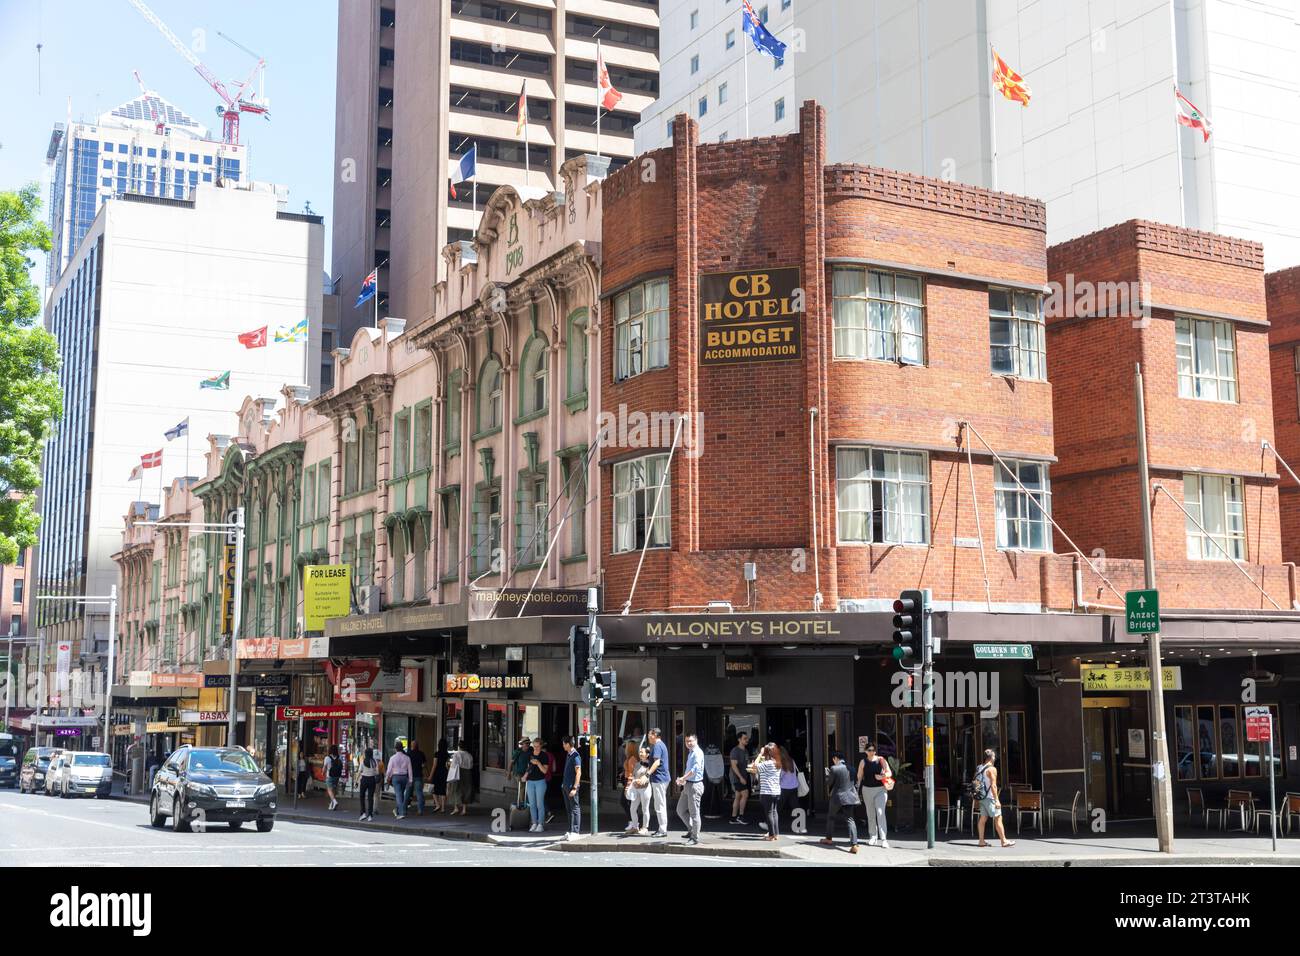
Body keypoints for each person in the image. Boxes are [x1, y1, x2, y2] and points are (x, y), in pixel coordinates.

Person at [820, 751, 860, 854]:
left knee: (831, 817)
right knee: (850, 820)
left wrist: (827, 775)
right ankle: (854, 844)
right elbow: (854, 782)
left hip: (837, 797)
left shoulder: (834, 768)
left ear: (835, 758)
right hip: (850, 797)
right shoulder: (852, 768)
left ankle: (828, 839)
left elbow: (829, 783)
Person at [976, 749, 1015, 848]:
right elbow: (993, 786)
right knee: (998, 818)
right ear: (992, 757)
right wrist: (997, 800)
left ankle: (981, 841)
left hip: (982, 797)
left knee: (983, 818)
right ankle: (1004, 841)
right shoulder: (992, 769)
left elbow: (976, 783)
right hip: (990, 798)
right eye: (994, 756)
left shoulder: (979, 768)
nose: (995, 758)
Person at [856, 743, 892, 849]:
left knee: (880, 813)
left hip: (881, 790)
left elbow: (889, 773)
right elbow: (859, 777)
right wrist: (856, 790)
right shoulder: (863, 762)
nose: (872, 752)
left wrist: (883, 776)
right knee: (870, 813)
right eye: (869, 750)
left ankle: (884, 839)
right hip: (867, 790)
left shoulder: (881, 760)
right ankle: (873, 836)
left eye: (873, 750)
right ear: (866, 751)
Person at [675, 733, 706, 845]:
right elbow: (691, 770)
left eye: (691, 741)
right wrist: (684, 780)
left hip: (695, 785)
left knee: (694, 813)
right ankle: (691, 829)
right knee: (680, 810)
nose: (688, 743)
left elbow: (695, 770)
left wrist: (683, 777)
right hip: (688, 784)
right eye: (687, 741)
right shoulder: (691, 753)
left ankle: (694, 837)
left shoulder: (697, 753)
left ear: (696, 741)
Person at [749, 743, 782, 841]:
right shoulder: (778, 762)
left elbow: (754, 766)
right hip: (776, 791)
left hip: (767, 791)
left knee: (769, 813)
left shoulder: (767, 763)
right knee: (774, 812)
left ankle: (771, 835)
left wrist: (760, 754)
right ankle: (776, 834)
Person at [645, 727, 671, 837]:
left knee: (660, 805)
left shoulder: (657, 746)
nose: (648, 736)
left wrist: (647, 774)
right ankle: (661, 828)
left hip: (659, 779)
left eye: (649, 734)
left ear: (654, 734)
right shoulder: (660, 745)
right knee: (659, 804)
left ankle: (662, 829)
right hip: (661, 779)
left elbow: (657, 762)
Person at [524, 737, 550, 832]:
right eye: (534, 746)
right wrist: (525, 776)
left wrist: (538, 763)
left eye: (537, 747)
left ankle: (540, 824)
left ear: (541, 746)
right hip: (530, 781)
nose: (535, 749)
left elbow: (544, 771)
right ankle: (534, 823)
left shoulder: (544, 756)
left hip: (540, 781)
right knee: (532, 804)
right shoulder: (530, 755)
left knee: (540, 803)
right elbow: (529, 768)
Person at [628, 745, 652, 835]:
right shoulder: (638, 764)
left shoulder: (650, 765)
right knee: (632, 808)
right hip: (636, 789)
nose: (640, 753)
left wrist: (640, 781)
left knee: (645, 809)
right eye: (640, 752)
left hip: (645, 789)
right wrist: (633, 781)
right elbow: (634, 775)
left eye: (642, 752)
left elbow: (649, 777)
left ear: (647, 754)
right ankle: (635, 827)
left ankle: (645, 827)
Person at [561, 736, 583, 839]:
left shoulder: (575, 756)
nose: (563, 745)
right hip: (566, 785)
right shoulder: (569, 755)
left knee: (574, 808)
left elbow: (578, 772)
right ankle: (570, 830)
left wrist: (575, 787)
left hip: (571, 786)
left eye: (564, 743)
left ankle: (575, 831)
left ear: (568, 744)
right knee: (569, 809)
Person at [729, 731, 751, 824]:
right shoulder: (735, 750)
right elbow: (734, 766)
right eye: (744, 738)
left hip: (744, 776)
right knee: (745, 794)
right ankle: (740, 817)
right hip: (737, 777)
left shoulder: (745, 751)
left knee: (738, 796)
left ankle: (733, 817)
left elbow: (747, 764)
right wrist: (741, 777)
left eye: (747, 738)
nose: (747, 740)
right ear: (739, 740)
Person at [385, 741, 412, 819]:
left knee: (398, 795)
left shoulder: (392, 758)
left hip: (396, 777)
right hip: (404, 777)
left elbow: (389, 770)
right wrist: (410, 780)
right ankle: (399, 810)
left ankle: (401, 813)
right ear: (402, 748)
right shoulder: (407, 758)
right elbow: (410, 770)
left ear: (395, 749)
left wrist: (388, 778)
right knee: (401, 795)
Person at [448, 739, 474, 815]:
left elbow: (453, 765)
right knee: (466, 790)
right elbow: (471, 765)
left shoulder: (457, 754)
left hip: (458, 772)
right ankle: (464, 809)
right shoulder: (469, 755)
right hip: (468, 773)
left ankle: (456, 808)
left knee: (456, 789)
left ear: (459, 746)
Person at [777, 746, 800, 828]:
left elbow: (780, 776)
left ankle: (770, 824)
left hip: (784, 788)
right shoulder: (791, 760)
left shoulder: (781, 762)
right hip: (794, 787)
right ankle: (799, 825)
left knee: (777, 807)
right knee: (795, 806)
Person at [622, 741, 641, 833]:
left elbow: (631, 772)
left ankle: (633, 822)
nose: (625, 749)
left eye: (627, 747)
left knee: (626, 802)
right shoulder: (630, 758)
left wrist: (628, 786)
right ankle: (633, 822)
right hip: (628, 780)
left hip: (629, 781)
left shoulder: (632, 759)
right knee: (628, 802)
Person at [357, 747, 379, 821]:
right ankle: (370, 815)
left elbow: (359, 772)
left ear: (365, 754)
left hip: (364, 780)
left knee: (362, 796)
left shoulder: (363, 761)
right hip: (372, 780)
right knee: (370, 797)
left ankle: (363, 813)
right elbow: (377, 772)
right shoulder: (374, 761)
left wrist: (356, 781)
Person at [510, 737, 533, 809]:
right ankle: (522, 803)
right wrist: (508, 773)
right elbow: (511, 762)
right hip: (518, 772)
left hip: (526, 772)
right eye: (526, 744)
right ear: (522, 744)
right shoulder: (517, 752)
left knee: (527, 787)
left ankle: (526, 802)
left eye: (528, 744)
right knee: (522, 786)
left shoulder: (530, 751)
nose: (527, 745)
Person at [406, 740, 427, 816]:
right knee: (419, 793)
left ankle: (404, 810)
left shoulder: (408, 754)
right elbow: (424, 765)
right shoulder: (421, 754)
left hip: (410, 776)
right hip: (418, 775)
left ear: (412, 746)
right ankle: (420, 810)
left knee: (407, 794)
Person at [431, 738, 450, 813]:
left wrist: (431, 775)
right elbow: (448, 765)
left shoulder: (437, 754)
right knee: (443, 790)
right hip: (444, 772)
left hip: (437, 772)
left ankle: (437, 805)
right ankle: (443, 808)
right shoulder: (447, 754)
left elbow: (434, 765)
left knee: (434, 789)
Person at [324, 744, 343, 811]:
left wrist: (323, 773)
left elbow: (324, 768)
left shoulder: (327, 758)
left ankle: (334, 801)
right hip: (337, 776)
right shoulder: (339, 757)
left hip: (330, 776)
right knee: (333, 790)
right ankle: (332, 805)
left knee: (329, 790)